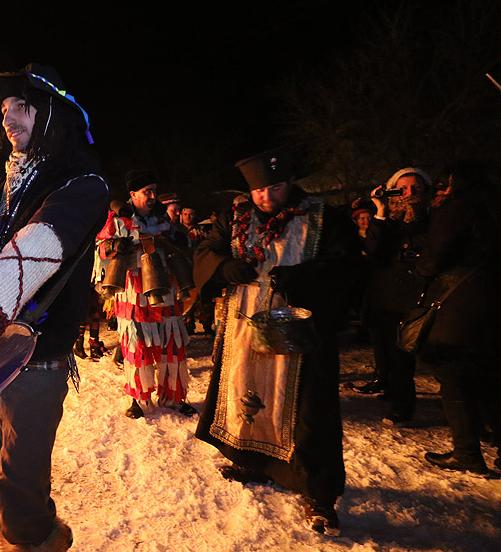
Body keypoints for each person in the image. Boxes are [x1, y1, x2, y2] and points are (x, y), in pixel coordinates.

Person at [0, 63, 109, 552]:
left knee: (25, 453)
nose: (9, 119)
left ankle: (29, 535)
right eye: (4, 111)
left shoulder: (85, 182)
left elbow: (43, 241)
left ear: (52, 113)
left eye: (22, 108)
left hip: (40, 342)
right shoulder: (10, 180)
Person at [193, 146, 361, 534]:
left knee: (308, 411)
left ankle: (318, 493)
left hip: (301, 334)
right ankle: (252, 461)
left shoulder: (322, 216)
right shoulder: (233, 217)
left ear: (289, 183)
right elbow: (205, 250)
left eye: (275, 188)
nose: (265, 199)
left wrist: (304, 279)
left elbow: (349, 264)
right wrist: (222, 267)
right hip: (245, 329)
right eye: (258, 192)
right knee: (245, 392)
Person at [415, 160, 501, 474]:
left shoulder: (459, 209)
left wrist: (421, 267)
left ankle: (467, 452)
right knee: (492, 375)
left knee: (453, 375)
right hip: (494, 301)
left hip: (463, 306)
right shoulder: (494, 206)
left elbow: (433, 258)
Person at [97, 170, 194, 418]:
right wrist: (113, 245)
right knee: (137, 345)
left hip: (167, 286)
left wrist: (180, 240)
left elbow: (180, 241)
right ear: (132, 194)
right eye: (146, 191)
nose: (152, 196)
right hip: (133, 291)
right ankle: (139, 400)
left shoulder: (164, 217)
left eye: (153, 190)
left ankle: (172, 397)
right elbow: (98, 249)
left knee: (172, 343)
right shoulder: (118, 220)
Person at [354, 168, 432, 426]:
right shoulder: (388, 219)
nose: (408, 194)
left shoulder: (433, 215)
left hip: (419, 292)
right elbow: (373, 250)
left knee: (412, 355)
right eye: (402, 189)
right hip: (386, 295)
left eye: (415, 188)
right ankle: (401, 403)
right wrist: (380, 212)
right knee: (392, 352)